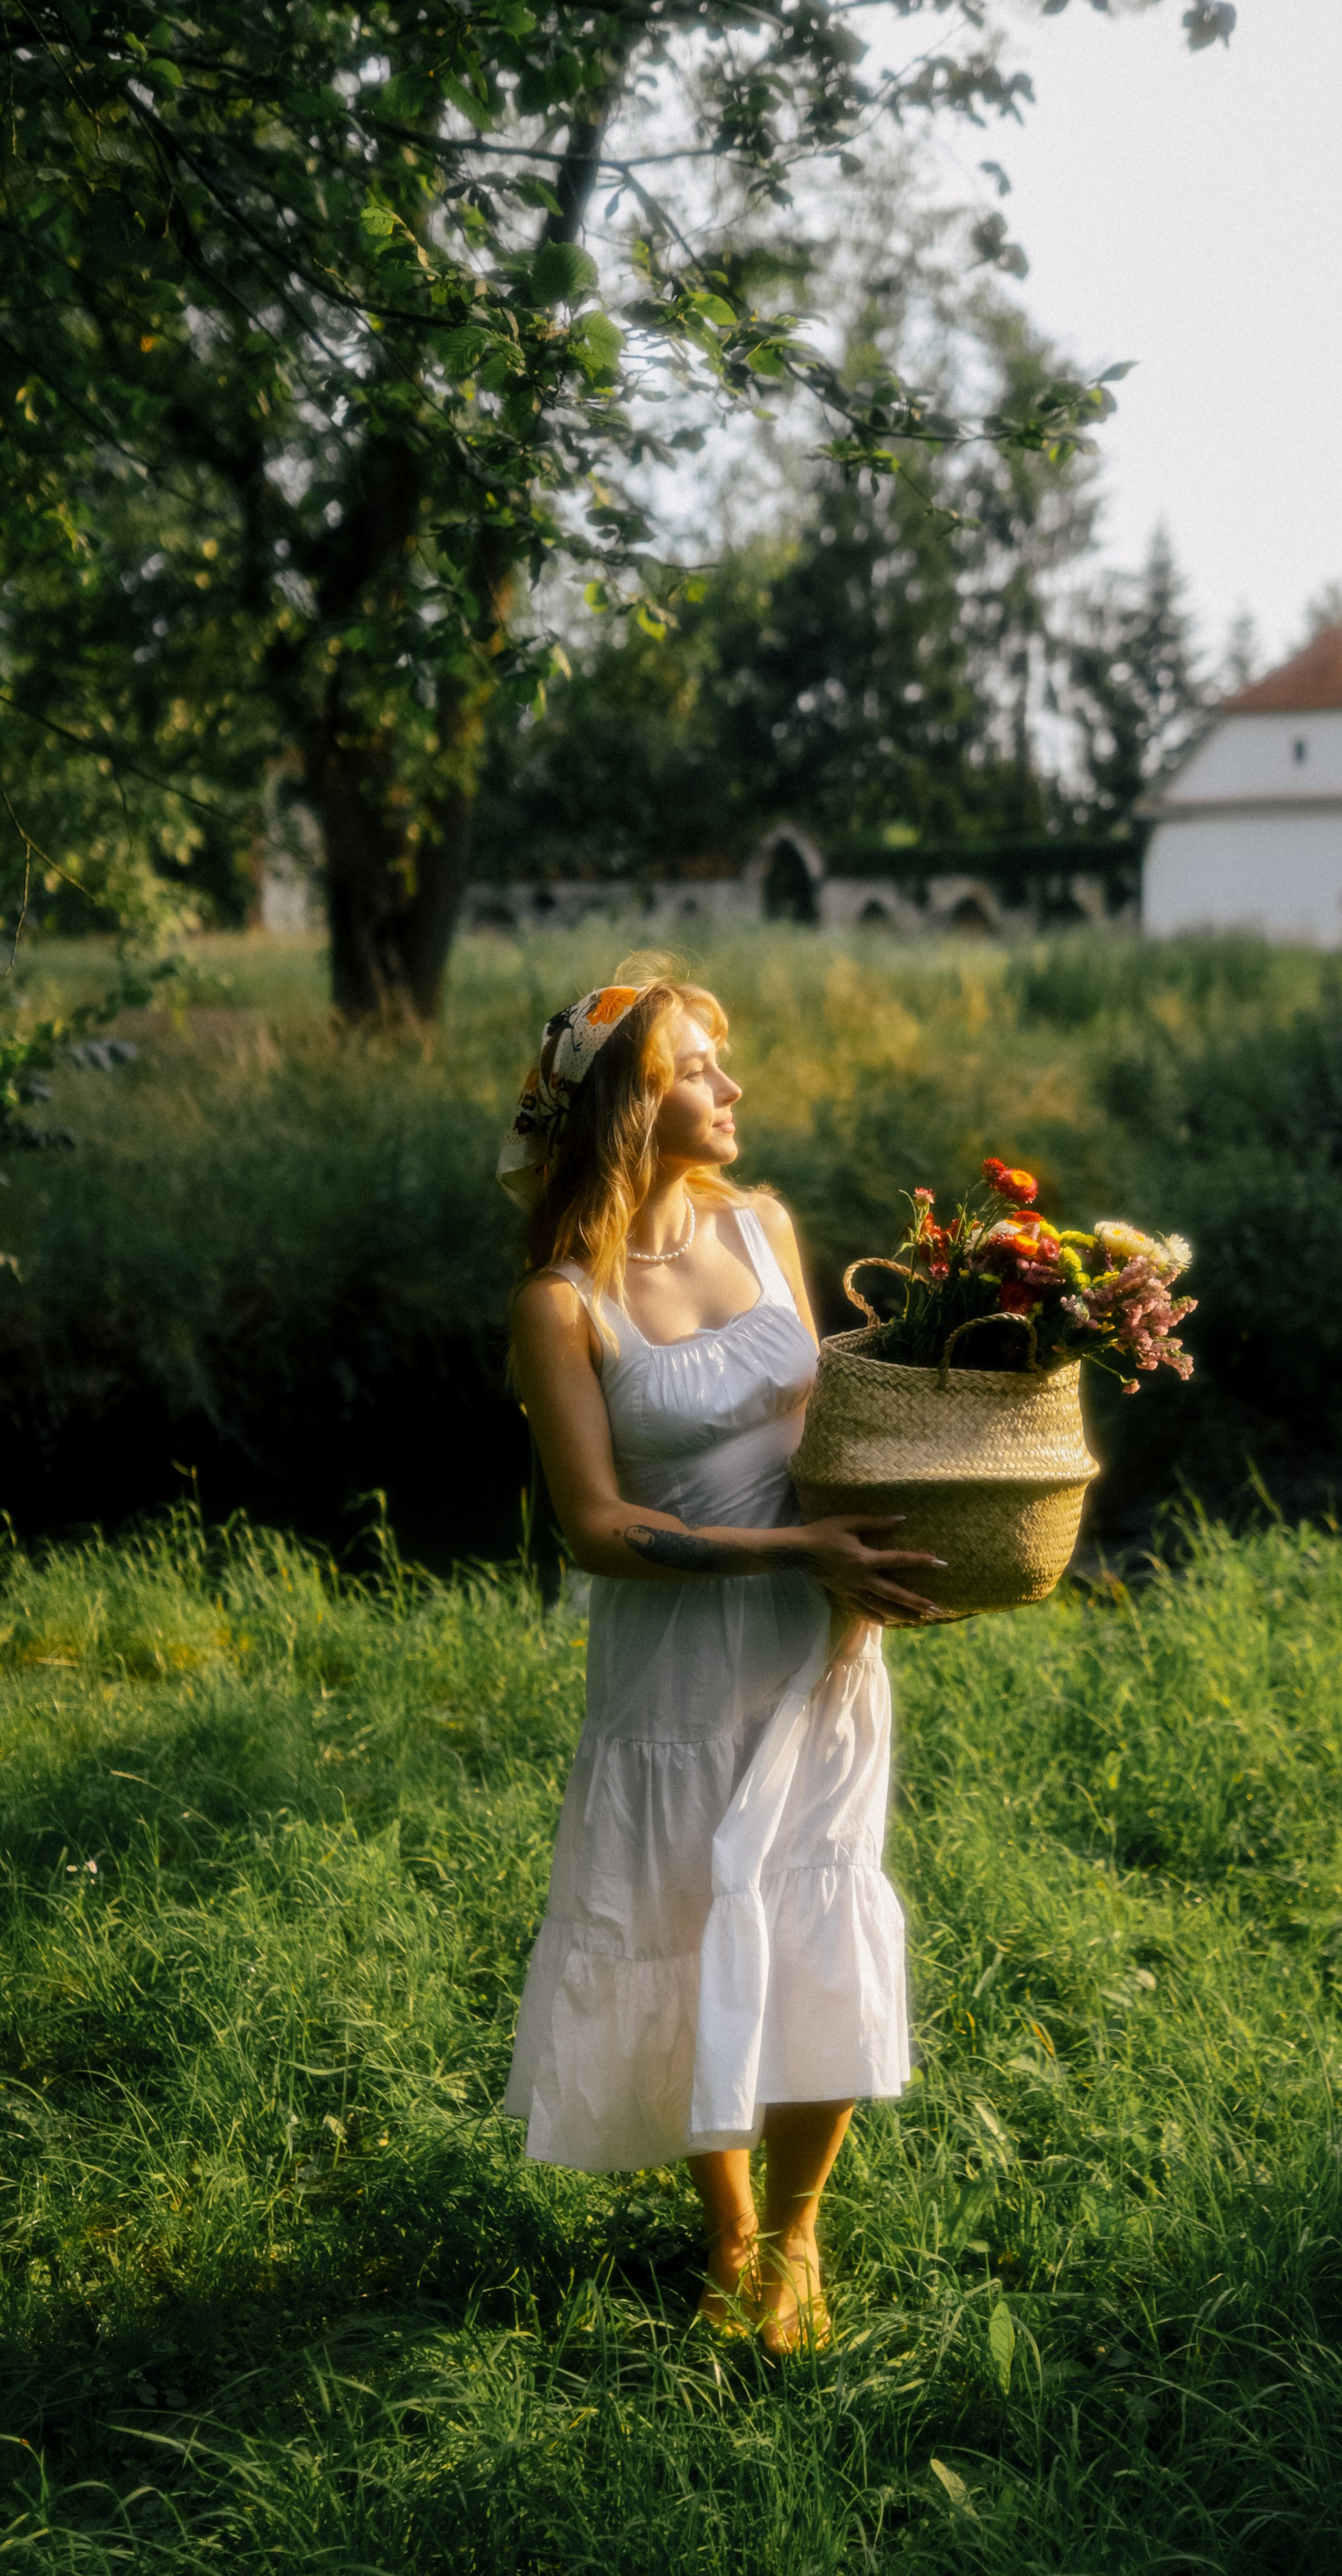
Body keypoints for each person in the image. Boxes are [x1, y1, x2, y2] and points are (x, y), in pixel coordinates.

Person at [501, 965, 944, 2352]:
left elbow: (824, 1428)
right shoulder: (562, 1301)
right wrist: (790, 1557)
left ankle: (798, 2237)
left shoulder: (763, 1229)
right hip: (675, 1663)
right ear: (635, 1101)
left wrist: (876, 1548)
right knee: (696, 1926)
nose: (730, 1088)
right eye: (699, 1067)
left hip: (817, 1638)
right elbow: (598, 1529)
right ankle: (729, 2238)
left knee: (816, 1906)